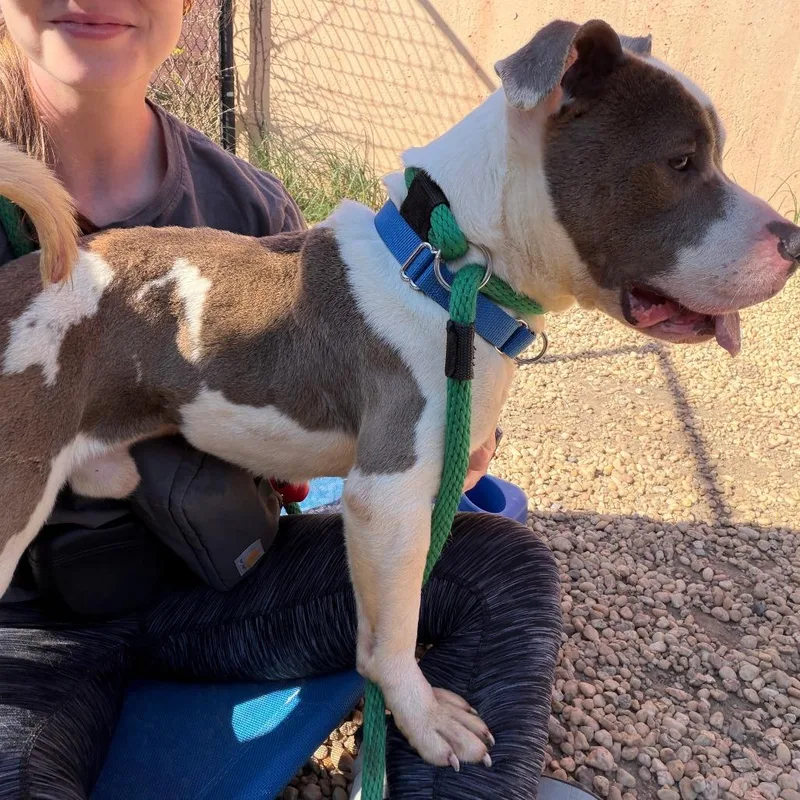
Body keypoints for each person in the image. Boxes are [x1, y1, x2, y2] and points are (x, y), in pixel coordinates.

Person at [0, 2, 562, 798]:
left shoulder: (250, 209)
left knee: (501, 573)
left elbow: (339, 441)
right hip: (23, 632)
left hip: (214, 591)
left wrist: (441, 437)